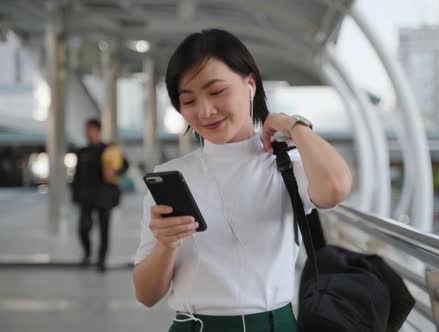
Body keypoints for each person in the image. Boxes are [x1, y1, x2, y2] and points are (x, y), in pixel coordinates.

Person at [133, 29, 353, 331]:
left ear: (250, 84)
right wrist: (165, 245)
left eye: (216, 91)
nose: (205, 111)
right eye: (189, 101)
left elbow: (336, 187)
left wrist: (291, 124)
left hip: (275, 324)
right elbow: (146, 295)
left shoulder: (285, 165)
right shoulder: (171, 176)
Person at [71, 118, 128, 273]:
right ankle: (87, 253)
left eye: (89, 129)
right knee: (83, 228)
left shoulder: (109, 149)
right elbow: (76, 177)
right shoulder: (82, 152)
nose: (86, 132)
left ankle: (101, 261)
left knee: (104, 230)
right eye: (85, 129)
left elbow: (125, 165)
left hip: (104, 196)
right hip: (86, 197)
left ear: (97, 131)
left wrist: (115, 172)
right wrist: (75, 197)